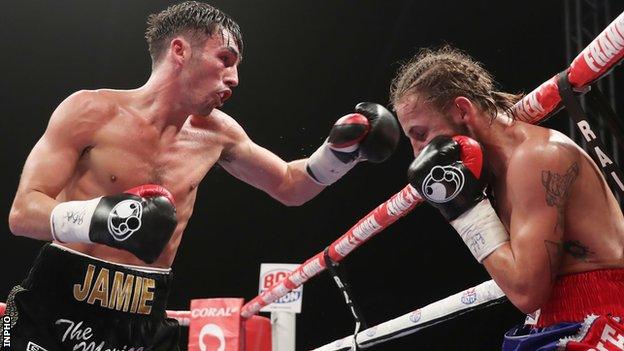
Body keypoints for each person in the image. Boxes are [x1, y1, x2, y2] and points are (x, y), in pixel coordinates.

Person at [4, 2, 400, 350]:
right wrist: (102, 219)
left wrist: (340, 153)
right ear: (180, 50)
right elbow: (24, 213)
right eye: (225, 60)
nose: (234, 79)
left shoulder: (218, 134)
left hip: (141, 317)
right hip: (55, 307)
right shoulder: (89, 110)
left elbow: (290, 186)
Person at [391, 46, 624, 350]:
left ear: (463, 111)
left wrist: (464, 213)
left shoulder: (535, 158)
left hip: (601, 319)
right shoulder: (497, 171)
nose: (418, 153)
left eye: (420, 134)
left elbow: (527, 293)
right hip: (553, 323)